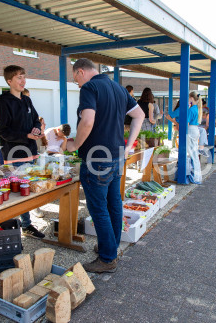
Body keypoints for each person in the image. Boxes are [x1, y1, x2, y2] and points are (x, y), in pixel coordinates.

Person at [67, 58, 144, 273]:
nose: (78, 85)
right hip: (117, 155)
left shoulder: (90, 87)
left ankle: (108, 258)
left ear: (81, 72)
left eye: (76, 80)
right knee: (113, 204)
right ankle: (109, 246)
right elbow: (140, 115)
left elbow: (88, 121)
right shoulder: (118, 88)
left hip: (96, 158)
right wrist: (128, 146)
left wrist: (74, 144)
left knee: (99, 208)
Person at [0, 65, 45, 238]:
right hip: (15, 155)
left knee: (27, 192)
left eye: (24, 77)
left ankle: (25, 225)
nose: (23, 80)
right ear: (9, 81)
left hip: (30, 152)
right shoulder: (3, 102)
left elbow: (36, 121)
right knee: (18, 193)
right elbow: (4, 132)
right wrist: (27, 135)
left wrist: (37, 129)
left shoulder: (27, 100)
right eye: (19, 78)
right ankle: (17, 227)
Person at [185, 91, 203, 183]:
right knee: (195, 154)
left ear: (191, 98)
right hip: (195, 129)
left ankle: (194, 176)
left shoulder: (191, 109)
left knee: (192, 154)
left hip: (191, 131)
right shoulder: (197, 108)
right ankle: (197, 176)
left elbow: (186, 123)